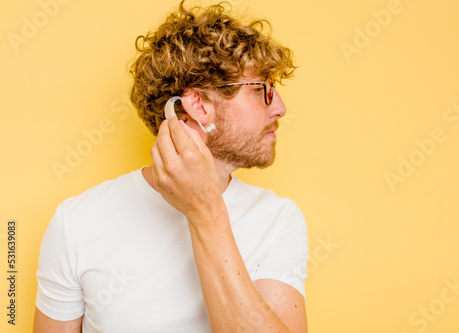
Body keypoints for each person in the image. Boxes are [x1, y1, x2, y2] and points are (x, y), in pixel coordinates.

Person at [34, 1, 309, 332]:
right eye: (261, 90)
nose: (280, 108)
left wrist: (205, 211)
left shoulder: (279, 219)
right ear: (198, 105)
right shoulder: (75, 221)